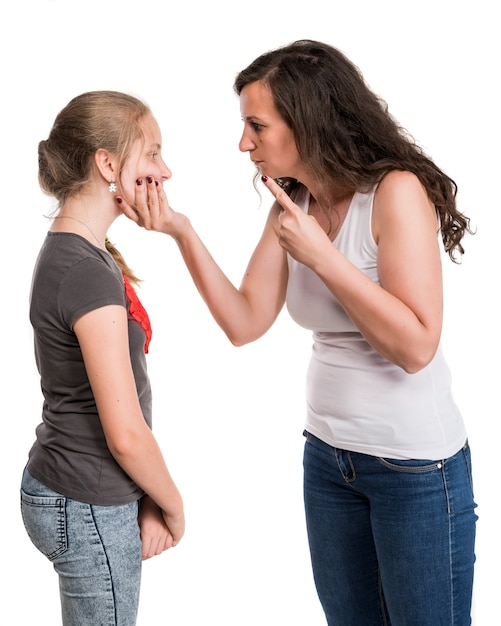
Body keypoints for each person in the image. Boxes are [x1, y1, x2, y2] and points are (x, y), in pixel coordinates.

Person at [117, 40, 477, 625]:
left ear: (308, 121)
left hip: (414, 470)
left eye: (256, 125)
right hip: (330, 461)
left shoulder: (395, 193)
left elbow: (417, 346)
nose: (243, 143)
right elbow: (244, 321)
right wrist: (181, 232)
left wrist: (323, 258)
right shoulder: (293, 203)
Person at [20, 90, 184, 626]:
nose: (165, 170)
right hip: (87, 503)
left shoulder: (74, 251)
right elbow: (126, 434)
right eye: (152, 153)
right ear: (107, 164)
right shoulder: (86, 270)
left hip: (74, 490)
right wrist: (173, 505)